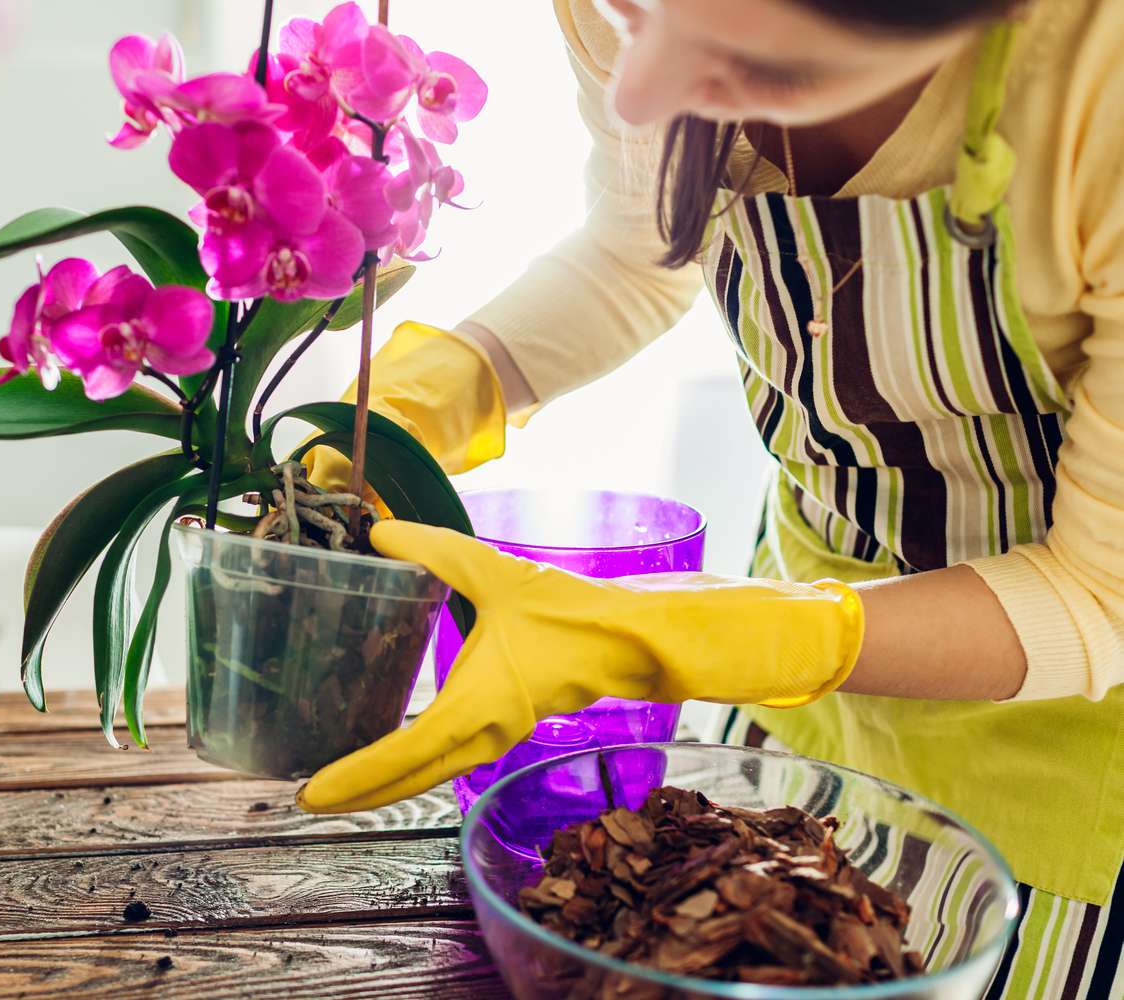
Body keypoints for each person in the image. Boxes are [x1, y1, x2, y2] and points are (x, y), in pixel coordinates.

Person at [295, 1, 1124, 995]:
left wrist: (679, 632)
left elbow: (1099, 594)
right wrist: (423, 398)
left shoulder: (1099, 77)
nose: (637, 85)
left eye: (737, 51)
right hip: (801, 732)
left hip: (1066, 773)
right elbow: (639, 246)